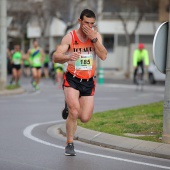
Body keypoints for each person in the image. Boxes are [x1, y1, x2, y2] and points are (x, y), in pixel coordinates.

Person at [53, 9, 107, 156]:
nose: (89, 26)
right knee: (74, 111)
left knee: (85, 117)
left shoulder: (96, 36)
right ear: (80, 21)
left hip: (88, 82)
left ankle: (69, 106)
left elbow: (103, 56)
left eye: (92, 24)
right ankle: (69, 144)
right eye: (86, 23)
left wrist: (94, 39)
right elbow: (56, 57)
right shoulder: (70, 37)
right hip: (72, 79)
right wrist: (68, 56)